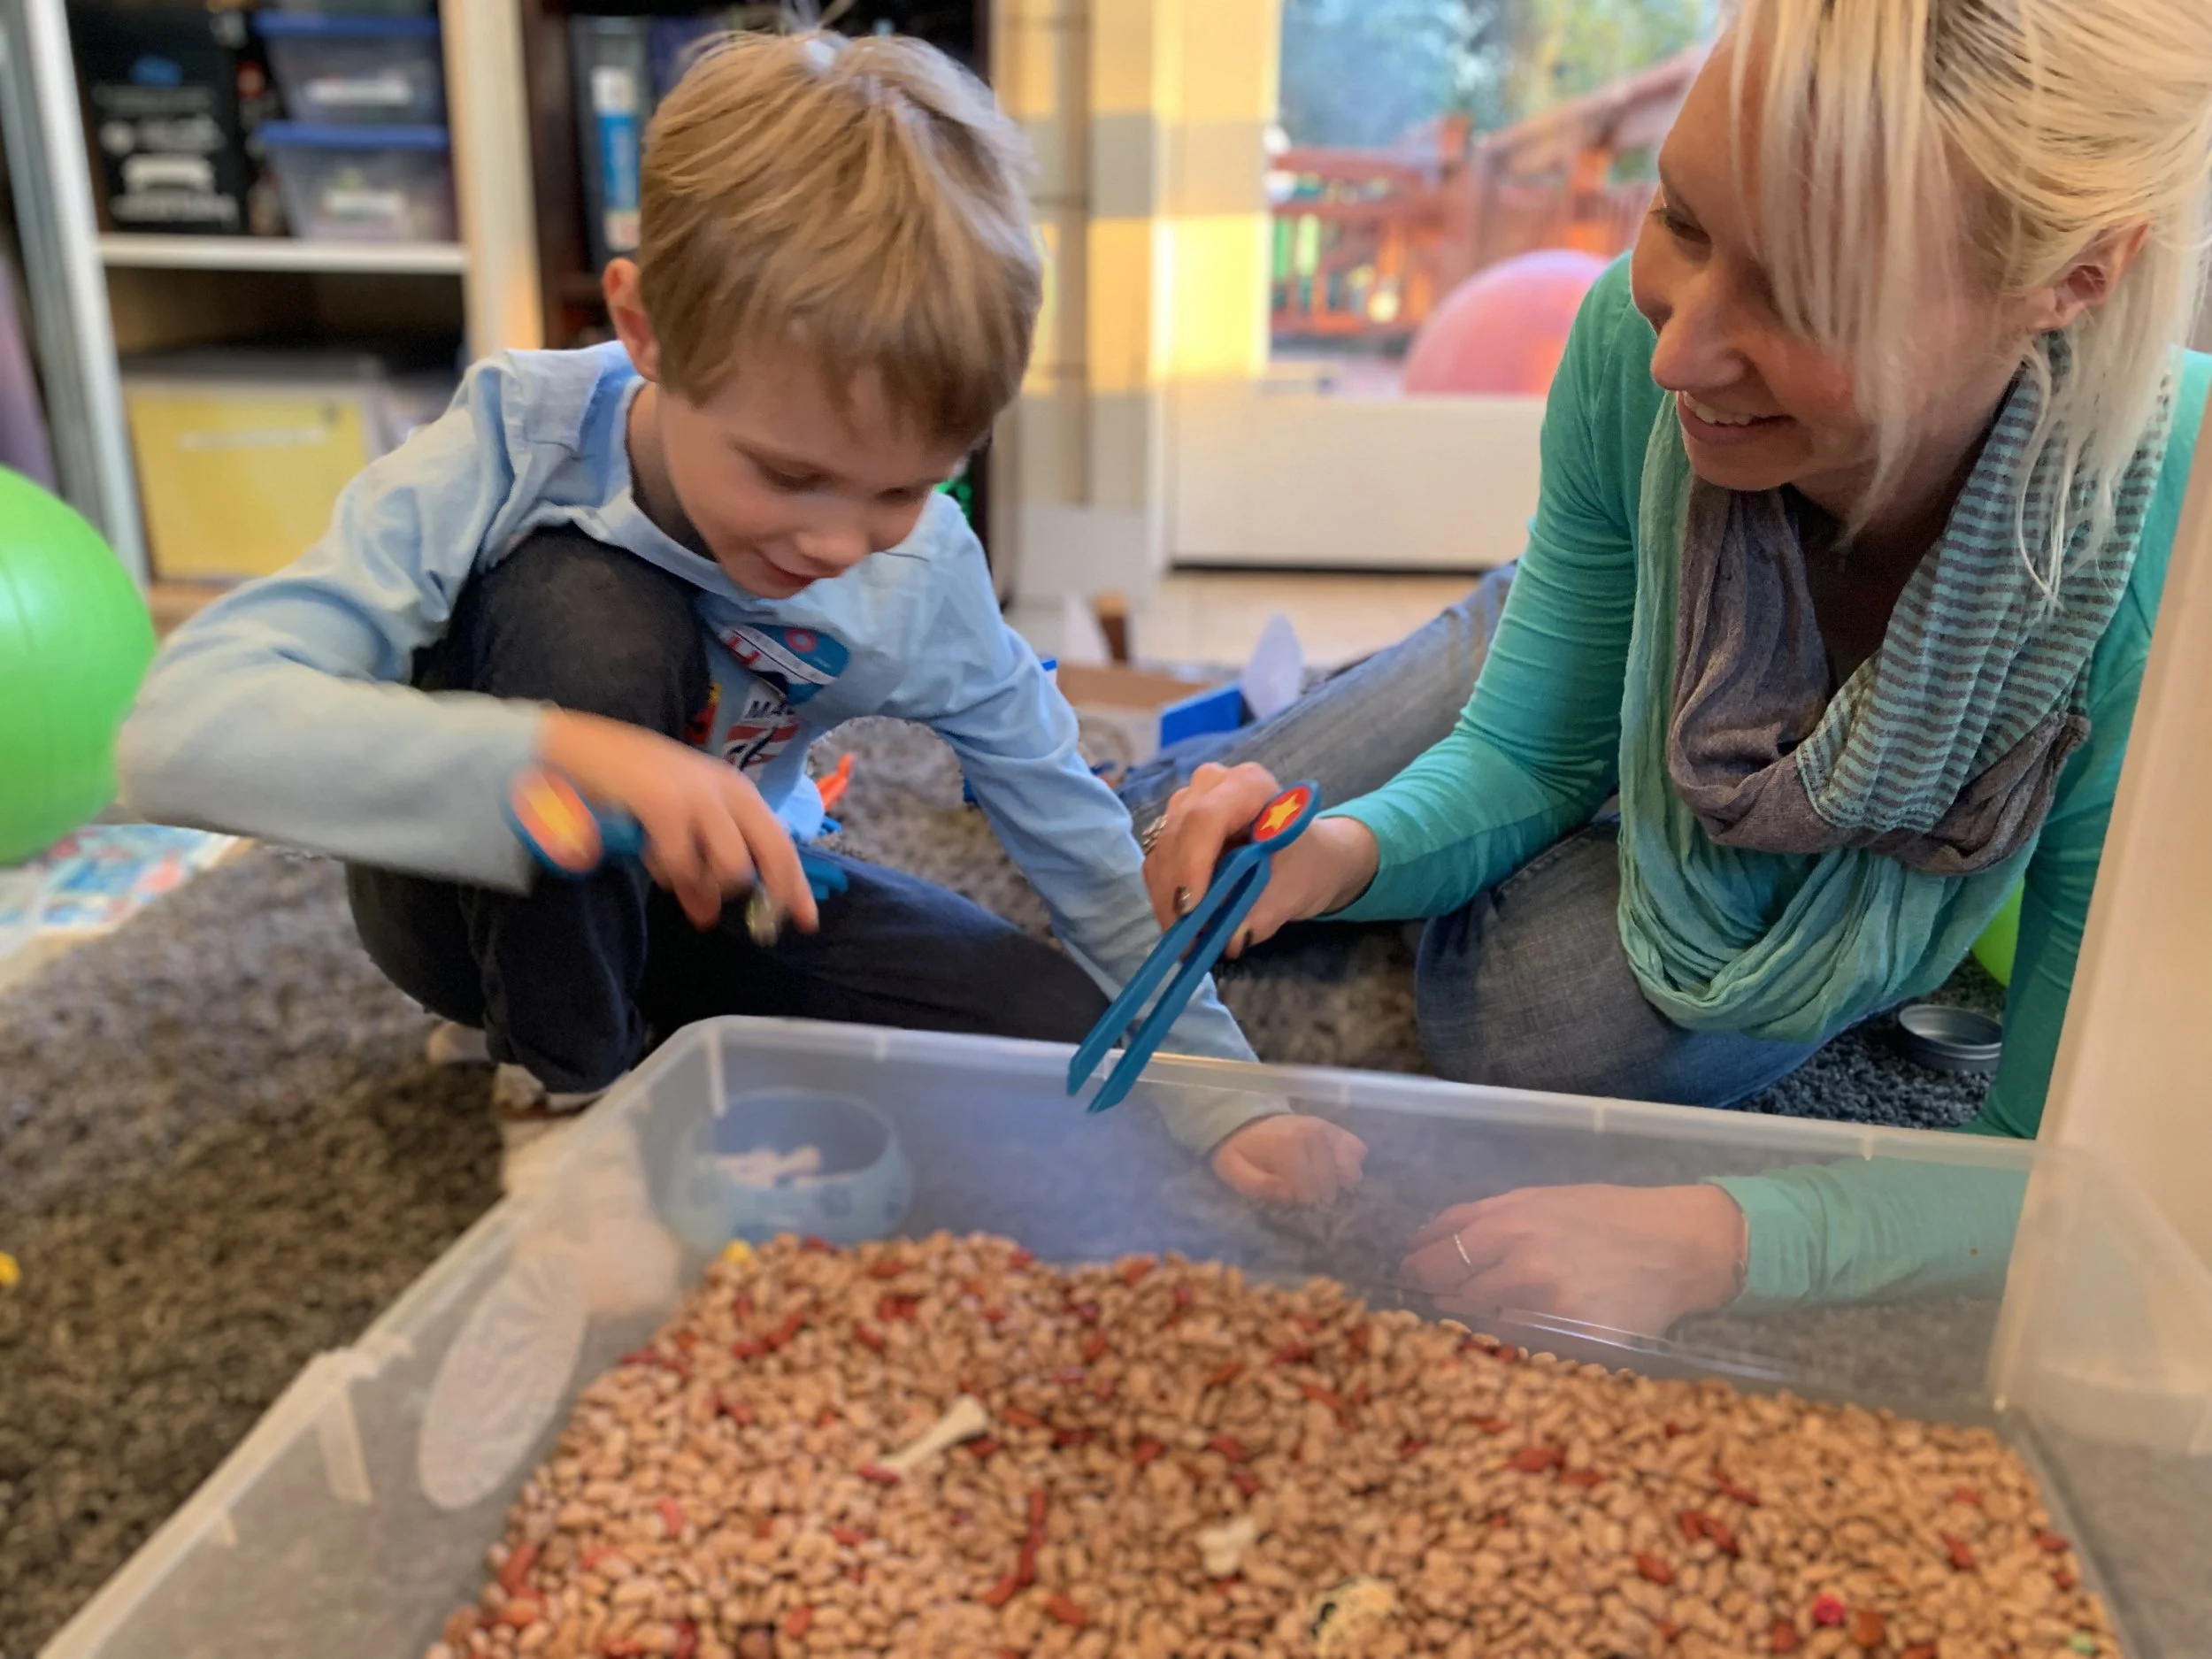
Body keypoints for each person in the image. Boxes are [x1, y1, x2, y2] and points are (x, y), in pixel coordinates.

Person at [117, 30, 1363, 1203]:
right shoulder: (516, 440)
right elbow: (177, 731)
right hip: (474, 903)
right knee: (583, 609)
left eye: (902, 486)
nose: (834, 541)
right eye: (788, 474)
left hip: (717, 905)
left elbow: (1075, 832)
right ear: (643, 325)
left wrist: (1226, 1100)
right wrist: (571, 761)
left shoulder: (923, 570)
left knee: (1059, 1060)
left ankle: (660, 1031)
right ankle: (569, 1098)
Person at [1141, 0, 2212, 1327]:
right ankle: (1570, 632)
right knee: (1166, 831)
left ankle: (1571, 651)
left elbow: (2073, 1160)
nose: (1675, 351)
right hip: (1657, 621)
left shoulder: (2164, 551)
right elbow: (1525, 752)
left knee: (1535, 1023)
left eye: (1805, 298)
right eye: (1683, 220)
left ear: (2074, 279)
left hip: (1836, 789)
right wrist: (1344, 851)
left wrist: (1729, 1237)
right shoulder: (1627, 357)